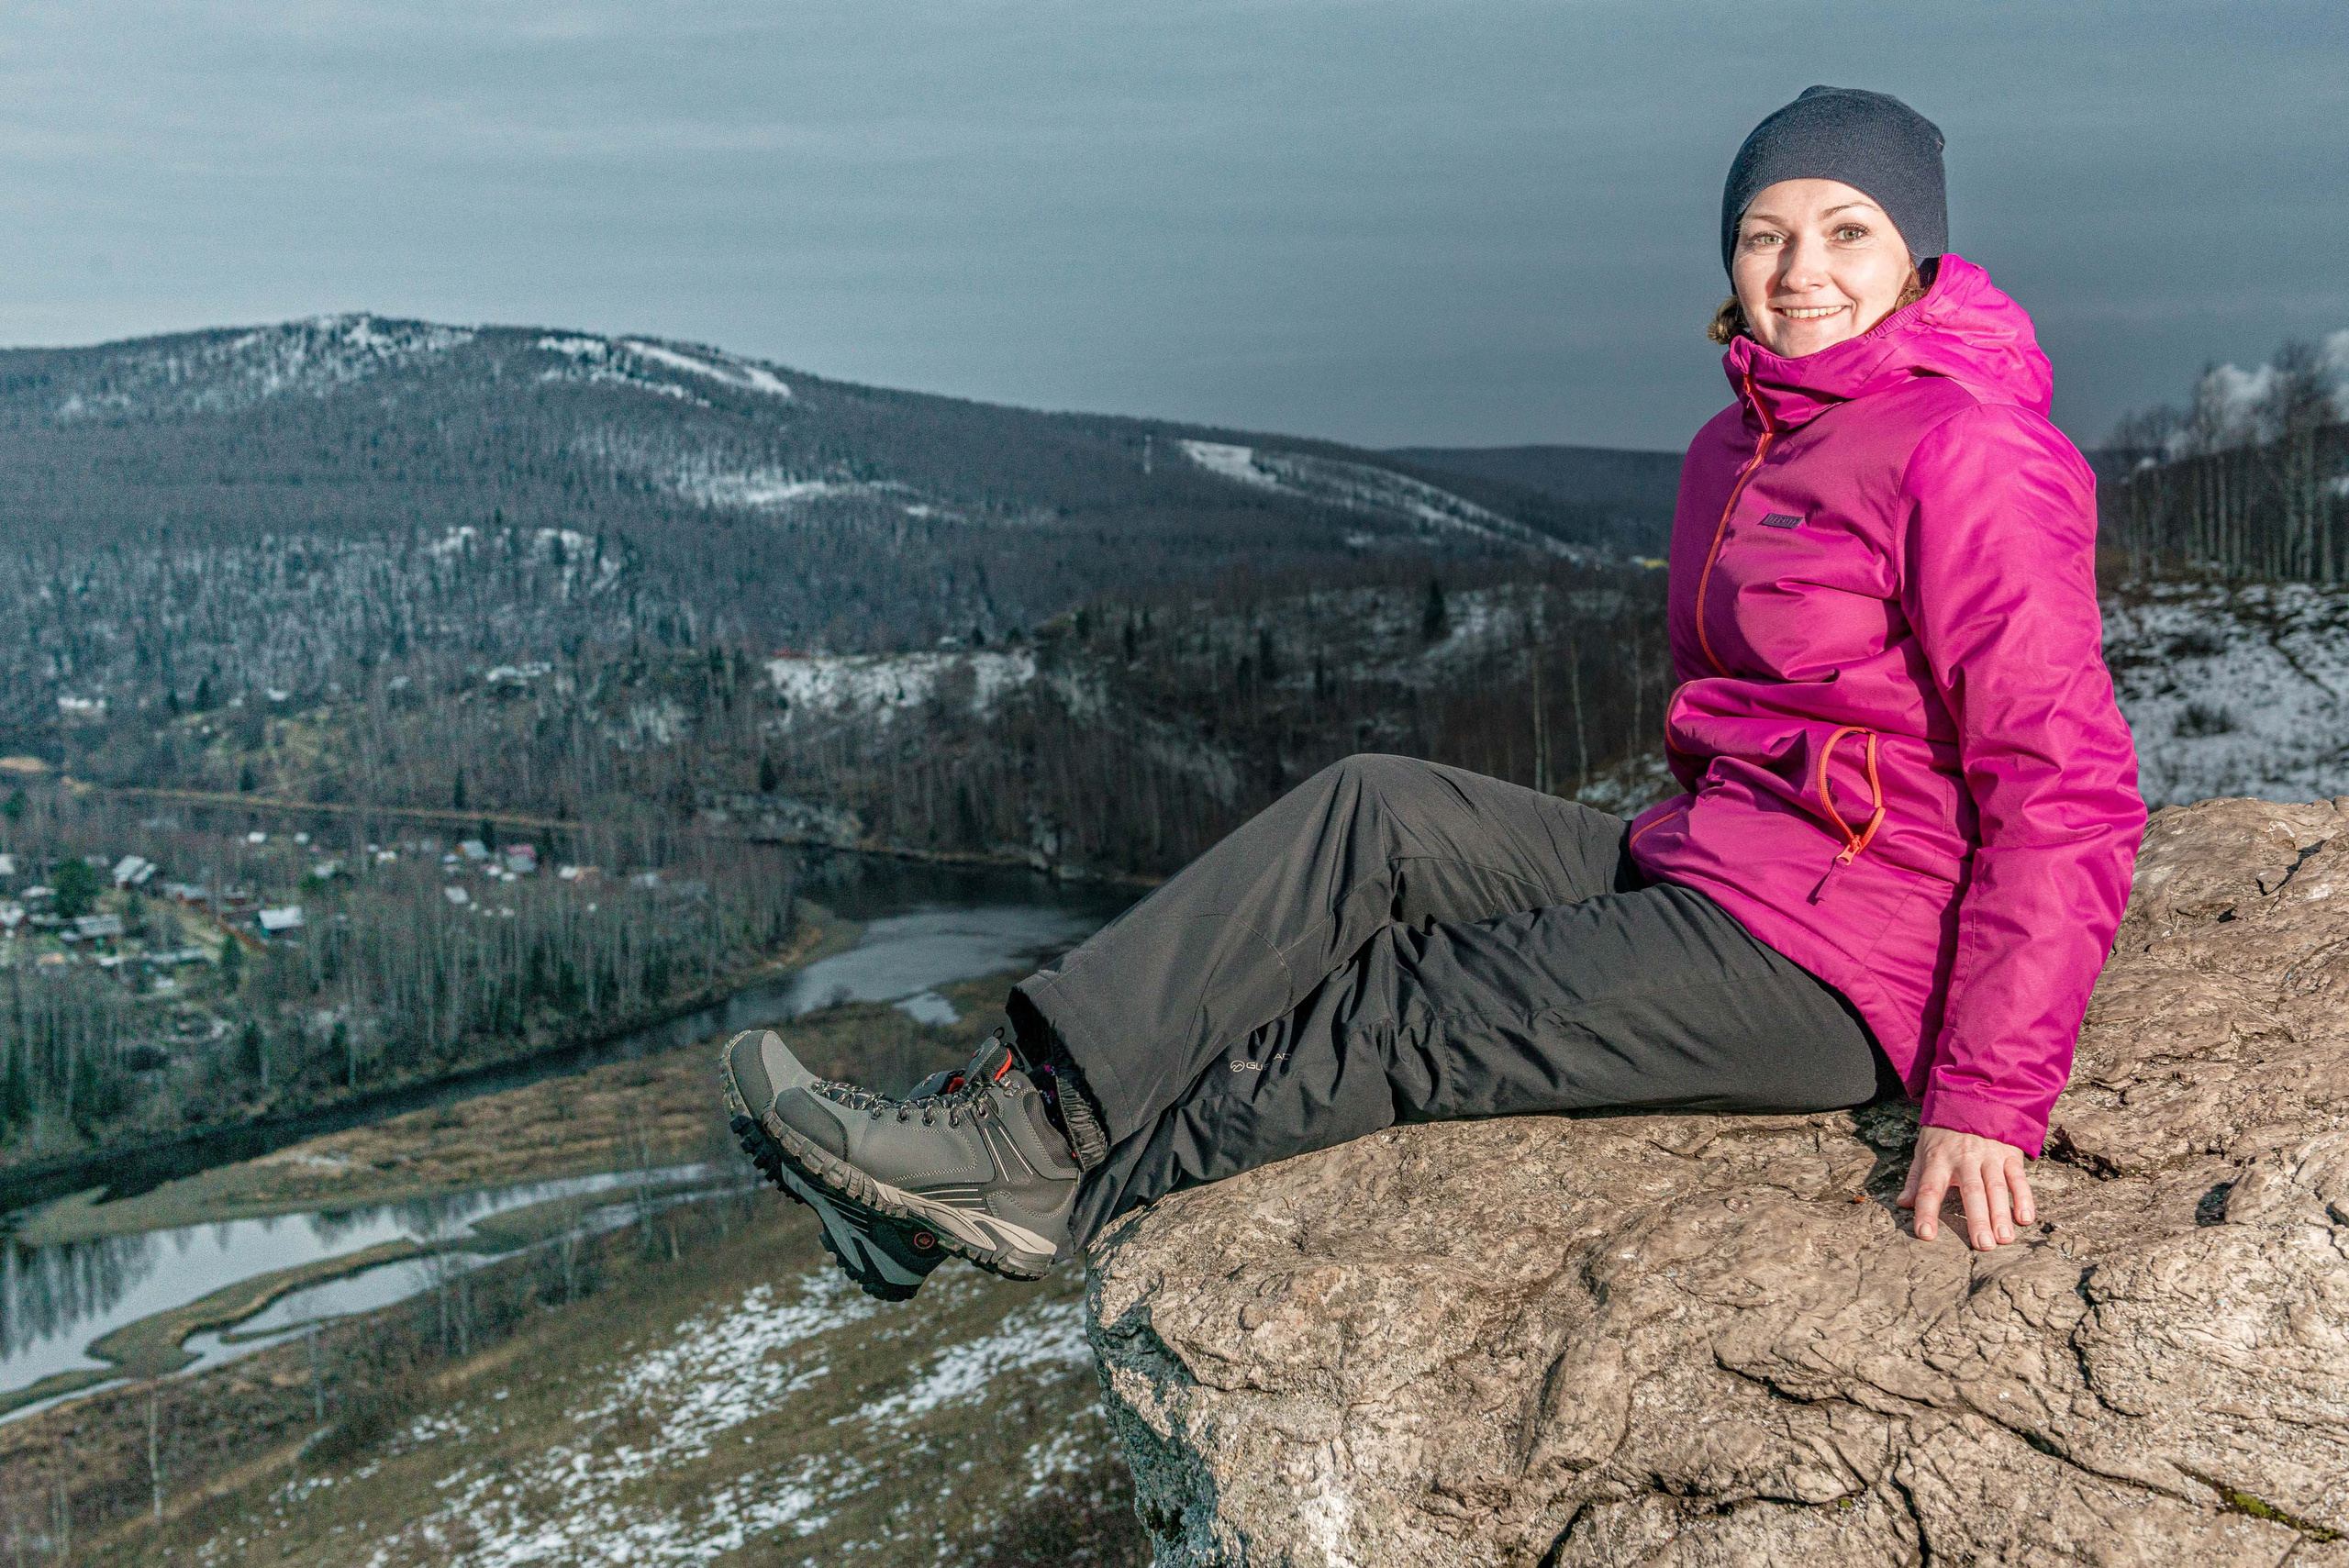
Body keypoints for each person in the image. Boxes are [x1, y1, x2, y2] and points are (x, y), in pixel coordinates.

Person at [718, 85, 2146, 1302]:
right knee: (1373, 812)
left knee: (1407, 1006)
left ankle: (1041, 1200)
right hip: (1716, 865)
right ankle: (1012, 1119)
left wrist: (1987, 1095)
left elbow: (2068, 788)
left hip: (1850, 957)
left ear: (1919, 259)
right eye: (1765, 234)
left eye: (1848, 232)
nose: (1799, 268)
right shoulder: (1742, 443)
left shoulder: (1969, 450)